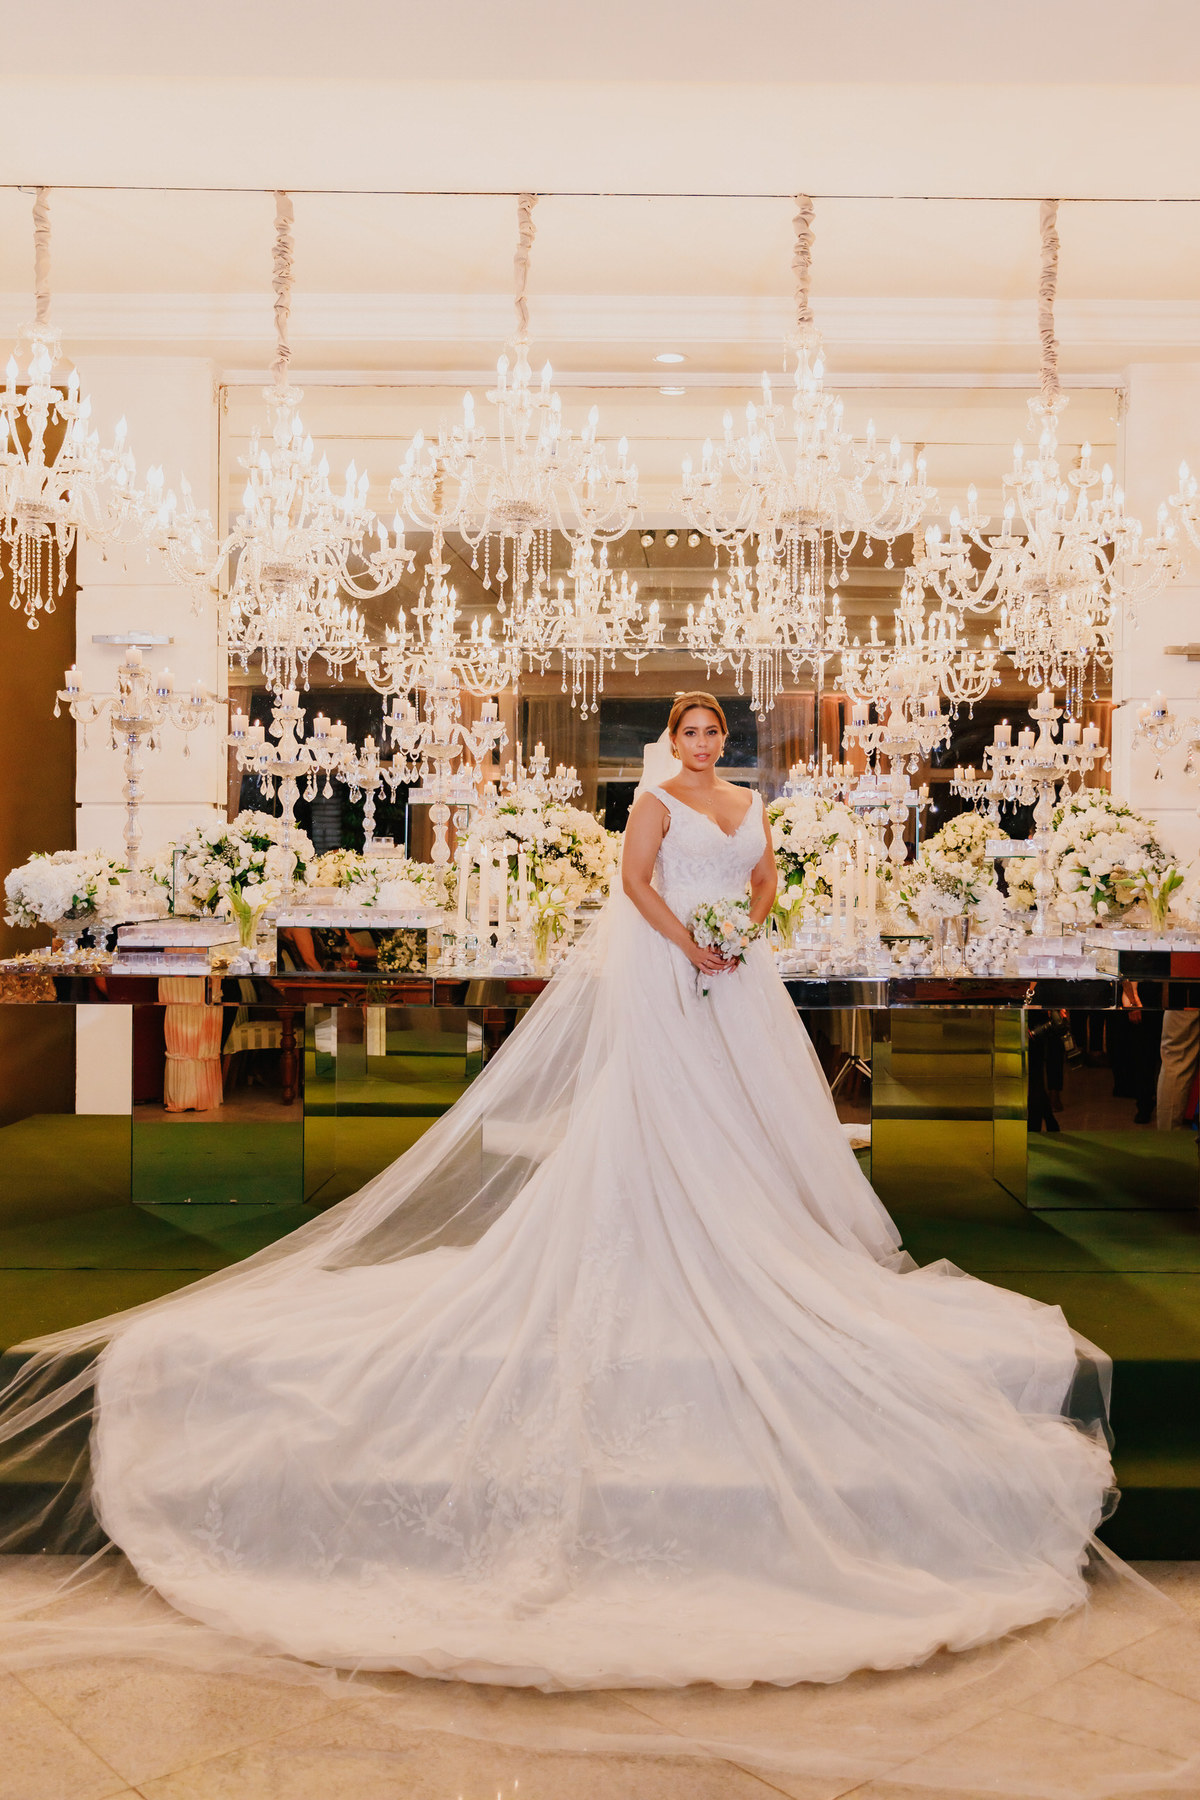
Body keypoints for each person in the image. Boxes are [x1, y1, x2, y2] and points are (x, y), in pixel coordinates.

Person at [0, 693, 1113, 1691]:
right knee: (665, 1110)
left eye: (714, 731)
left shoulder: (748, 802)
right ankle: (661, 1230)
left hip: (741, 977)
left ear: (726, 739)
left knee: (756, 1117)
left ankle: (750, 1231)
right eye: (690, 731)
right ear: (669, 740)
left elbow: (768, 874)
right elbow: (633, 887)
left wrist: (747, 927)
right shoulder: (654, 803)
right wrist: (692, 942)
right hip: (674, 972)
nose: (704, 743)